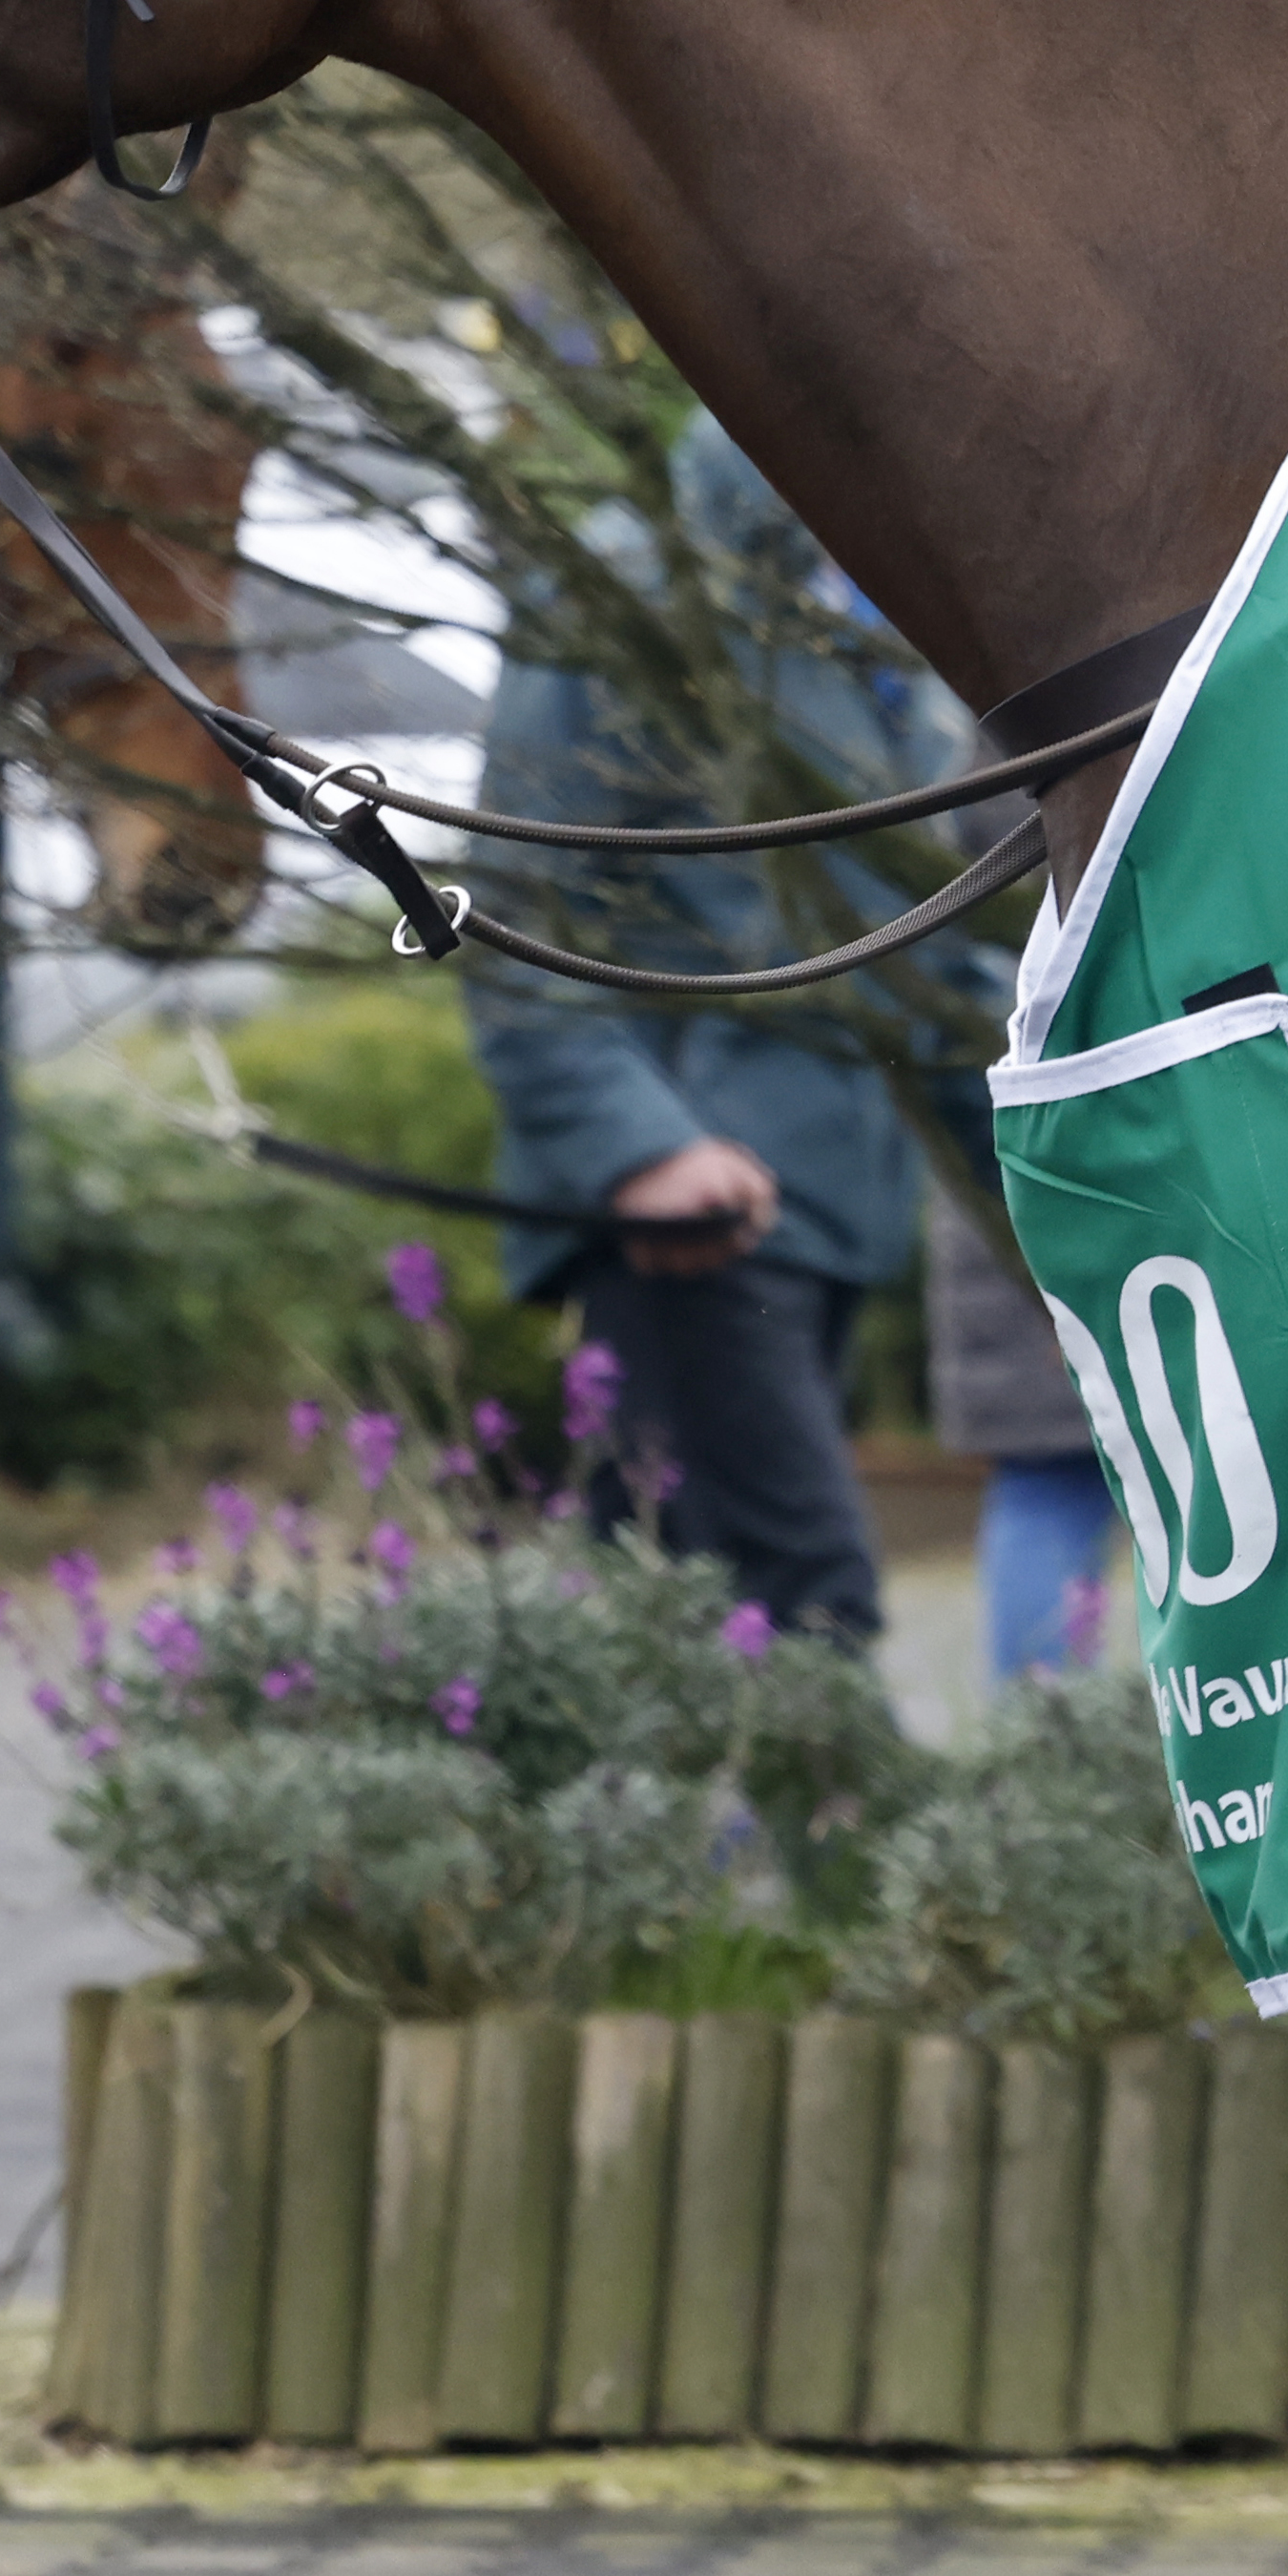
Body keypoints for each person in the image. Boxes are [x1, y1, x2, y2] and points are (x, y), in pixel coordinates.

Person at [461, 424, 943, 1642]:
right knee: (795, 1605)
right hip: (698, 1206)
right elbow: (518, 903)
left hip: (827, 1196)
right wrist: (635, 1150)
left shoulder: (859, 596)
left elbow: (925, 934)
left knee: (694, 1632)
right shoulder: (629, 589)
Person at [928, 1174, 1123, 1677]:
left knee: (1047, 1491)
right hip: (1049, 1228)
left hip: (1007, 1228)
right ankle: (1052, 1729)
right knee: (1052, 1490)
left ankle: (1044, 1733)